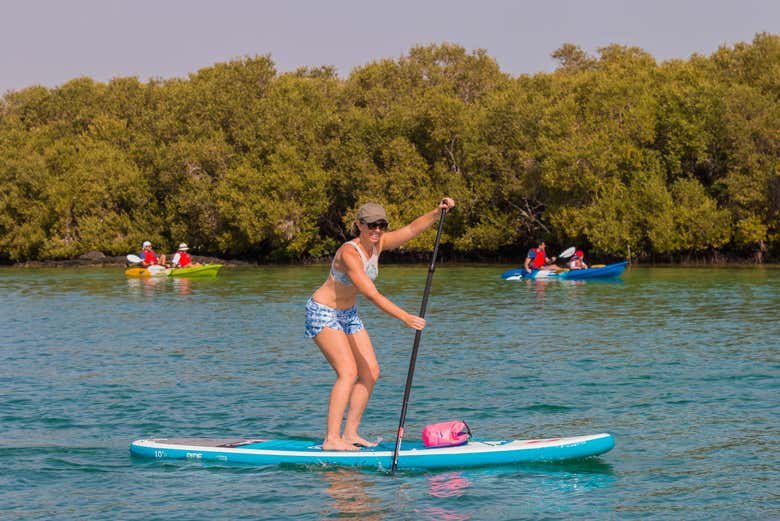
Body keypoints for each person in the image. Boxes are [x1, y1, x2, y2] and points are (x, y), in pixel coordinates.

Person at [306, 198, 455, 451]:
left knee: (371, 372)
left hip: (347, 313)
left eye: (381, 225)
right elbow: (372, 294)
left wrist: (437, 212)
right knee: (348, 372)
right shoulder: (349, 254)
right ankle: (332, 438)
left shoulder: (379, 243)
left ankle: (350, 433)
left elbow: (409, 230)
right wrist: (405, 318)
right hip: (323, 312)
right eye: (371, 225)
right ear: (359, 225)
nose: (376, 230)